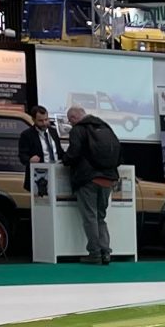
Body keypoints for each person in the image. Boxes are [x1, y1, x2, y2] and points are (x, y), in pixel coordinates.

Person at [65, 103, 122, 265]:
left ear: (74, 118)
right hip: (108, 179)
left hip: (87, 179)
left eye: (70, 120)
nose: (70, 124)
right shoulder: (106, 127)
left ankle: (94, 253)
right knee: (101, 217)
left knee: (90, 216)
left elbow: (74, 153)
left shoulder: (78, 130)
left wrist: (65, 159)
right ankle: (106, 252)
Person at [18, 104, 63, 170]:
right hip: (38, 172)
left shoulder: (53, 131)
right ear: (33, 120)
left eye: (46, 119)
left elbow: (59, 151)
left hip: (55, 170)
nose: (44, 123)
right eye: (40, 121)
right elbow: (22, 155)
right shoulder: (27, 135)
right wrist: (29, 160)